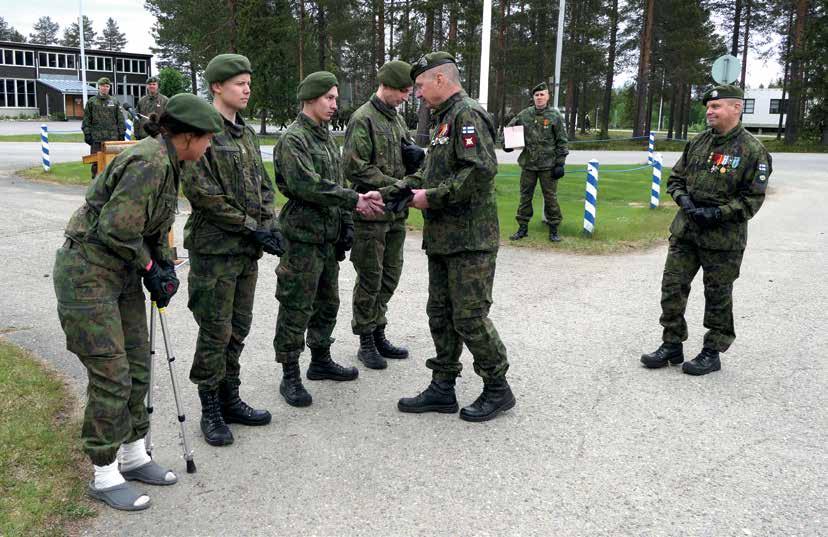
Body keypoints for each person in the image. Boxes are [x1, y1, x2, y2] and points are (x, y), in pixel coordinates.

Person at [54, 93, 223, 511]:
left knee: (135, 364)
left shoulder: (171, 163)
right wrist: (151, 268)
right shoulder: (149, 162)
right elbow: (116, 228)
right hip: (88, 273)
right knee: (111, 372)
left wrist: (161, 266)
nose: (210, 147)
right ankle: (104, 472)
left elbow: (155, 226)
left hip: (121, 271)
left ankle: (133, 454)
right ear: (187, 136)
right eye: (208, 139)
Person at [385, 52, 515, 422]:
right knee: (440, 314)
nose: (418, 94)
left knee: (470, 316)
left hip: (470, 239)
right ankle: (443, 386)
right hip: (444, 238)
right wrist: (399, 189)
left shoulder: (466, 114)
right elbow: (429, 171)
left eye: (422, 86)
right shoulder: (445, 120)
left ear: (441, 79)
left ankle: (497, 387)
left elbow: (479, 171)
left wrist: (431, 198)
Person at [182, 54, 282, 447]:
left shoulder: (247, 134)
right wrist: (252, 228)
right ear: (217, 87)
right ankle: (209, 407)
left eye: (249, 83)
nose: (247, 89)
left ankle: (230, 397)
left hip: (245, 252)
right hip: (215, 250)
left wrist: (269, 224)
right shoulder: (199, 129)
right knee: (215, 330)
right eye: (239, 83)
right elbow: (203, 194)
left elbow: (262, 183)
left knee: (238, 328)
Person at [272, 71, 385, 407]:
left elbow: (336, 179)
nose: (335, 104)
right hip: (303, 238)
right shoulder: (294, 140)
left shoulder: (323, 137)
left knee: (327, 303)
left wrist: (345, 224)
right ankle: (290, 373)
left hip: (326, 238)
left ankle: (320, 360)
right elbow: (307, 185)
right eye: (329, 98)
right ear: (310, 98)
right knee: (296, 305)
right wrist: (353, 201)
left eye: (336, 98)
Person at [641, 84, 771, 376]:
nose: (710, 112)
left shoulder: (752, 150)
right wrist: (684, 200)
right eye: (709, 107)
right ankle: (671, 344)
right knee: (672, 288)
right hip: (686, 231)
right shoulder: (698, 142)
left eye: (716, 107)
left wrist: (717, 213)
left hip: (723, 239)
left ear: (736, 108)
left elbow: (752, 199)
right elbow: (675, 179)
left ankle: (712, 351)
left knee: (718, 295)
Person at [342, 60, 424, 370]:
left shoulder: (397, 120)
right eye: (403, 91)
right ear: (386, 86)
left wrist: (413, 160)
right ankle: (366, 340)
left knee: (391, 274)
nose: (406, 97)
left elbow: (404, 154)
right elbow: (356, 167)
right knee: (370, 277)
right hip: (371, 213)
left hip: (395, 215)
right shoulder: (363, 119)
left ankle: (378, 331)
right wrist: (398, 186)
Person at [504, 82, 569, 242]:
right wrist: (507, 143)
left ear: (547, 96)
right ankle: (522, 228)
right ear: (533, 97)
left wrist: (560, 163)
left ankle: (553, 229)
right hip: (529, 165)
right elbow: (510, 130)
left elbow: (562, 141)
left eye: (542, 95)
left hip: (548, 166)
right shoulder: (524, 114)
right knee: (525, 197)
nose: (539, 97)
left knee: (550, 197)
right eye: (536, 95)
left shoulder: (555, 116)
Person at [81, 77, 126, 179]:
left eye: (107, 86)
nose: (105, 88)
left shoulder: (114, 101)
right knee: (96, 162)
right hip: (97, 138)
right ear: (99, 87)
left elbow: (120, 119)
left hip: (112, 138)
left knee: (113, 162)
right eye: (102, 86)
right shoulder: (92, 102)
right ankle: (95, 183)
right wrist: (87, 134)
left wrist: (122, 133)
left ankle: (111, 183)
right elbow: (86, 120)